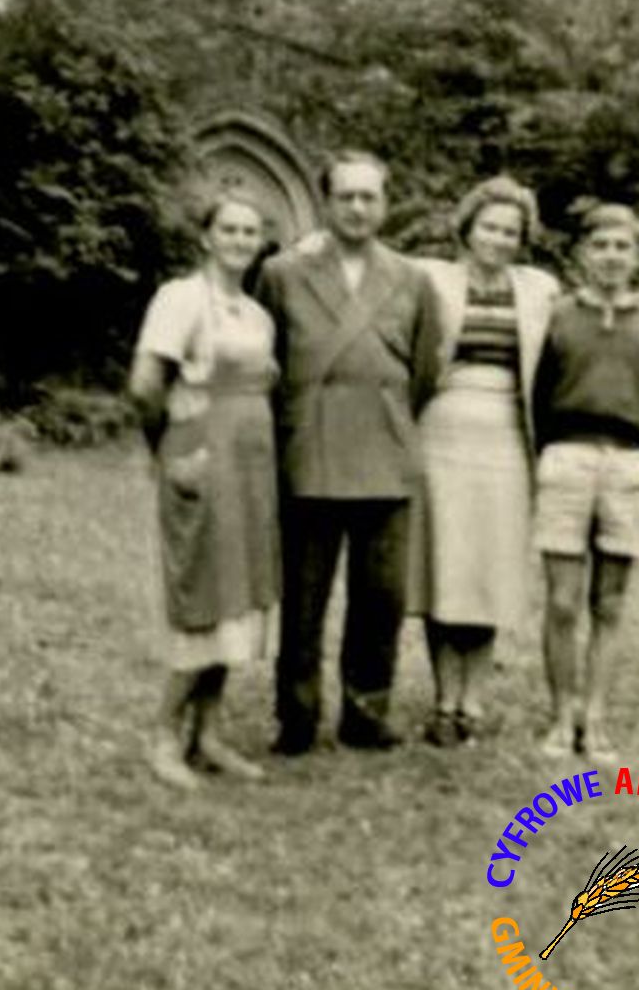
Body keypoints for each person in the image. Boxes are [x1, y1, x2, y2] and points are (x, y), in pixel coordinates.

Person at [256, 150, 441, 755]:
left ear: (385, 204)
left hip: (386, 452)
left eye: (369, 197)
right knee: (303, 597)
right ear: (326, 202)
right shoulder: (283, 274)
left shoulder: (413, 278)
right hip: (311, 451)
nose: (358, 208)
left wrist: (388, 415)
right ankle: (297, 716)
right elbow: (267, 363)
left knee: (382, 597)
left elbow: (424, 370)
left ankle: (366, 713)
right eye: (346, 197)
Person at [532, 202, 639, 760]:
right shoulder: (559, 315)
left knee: (609, 602)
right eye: (600, 245)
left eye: (622, 247)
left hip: (626, 464)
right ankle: (561, 716)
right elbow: (536, 392)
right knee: (561, 601)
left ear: (637, 256)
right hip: (566, 459)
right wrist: (551, 449)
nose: (610, 256)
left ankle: (594, 717)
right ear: (583, 253)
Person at [129, 192, 281, 789]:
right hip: (200, 456)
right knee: (201, 593)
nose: (240, 240)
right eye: (230, 229)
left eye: (250, 231)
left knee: (236, 596)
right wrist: (169, 451)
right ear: (207, 236)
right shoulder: (181, 298)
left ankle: (208, 734)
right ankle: (164, 735)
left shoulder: (257, 314)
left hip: (251, 466)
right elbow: (145, 385)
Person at [412, 176, 560, 746]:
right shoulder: (431, 279)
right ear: (467, 228)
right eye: (489, 228)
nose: (498, 239)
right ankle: (444, 700)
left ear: (522, 239)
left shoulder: (539, 289)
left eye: (510, 231)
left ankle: (473, 700)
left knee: (489, 569)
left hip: (506, 436)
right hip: (441, 429)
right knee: (444, 567)